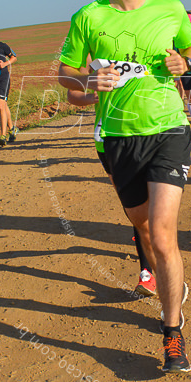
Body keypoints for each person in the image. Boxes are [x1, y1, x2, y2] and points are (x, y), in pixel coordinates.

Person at [58, 0, 191, 373]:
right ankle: (159, 272)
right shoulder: (89, 17)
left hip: (168, 128)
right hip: (117, 138)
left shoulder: (170, 8)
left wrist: (188, 61)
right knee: (142, 229)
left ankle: (172, 332)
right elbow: (65, 73)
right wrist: (86, 83)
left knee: (162, 233)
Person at [67, 85, 157, 296]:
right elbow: (72, 93)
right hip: (109, 139)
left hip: (152, 132)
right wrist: (93, 96)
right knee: (135, 207)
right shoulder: (93, 55)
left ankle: (150, 269)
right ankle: (147, 264)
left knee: (152, 207)